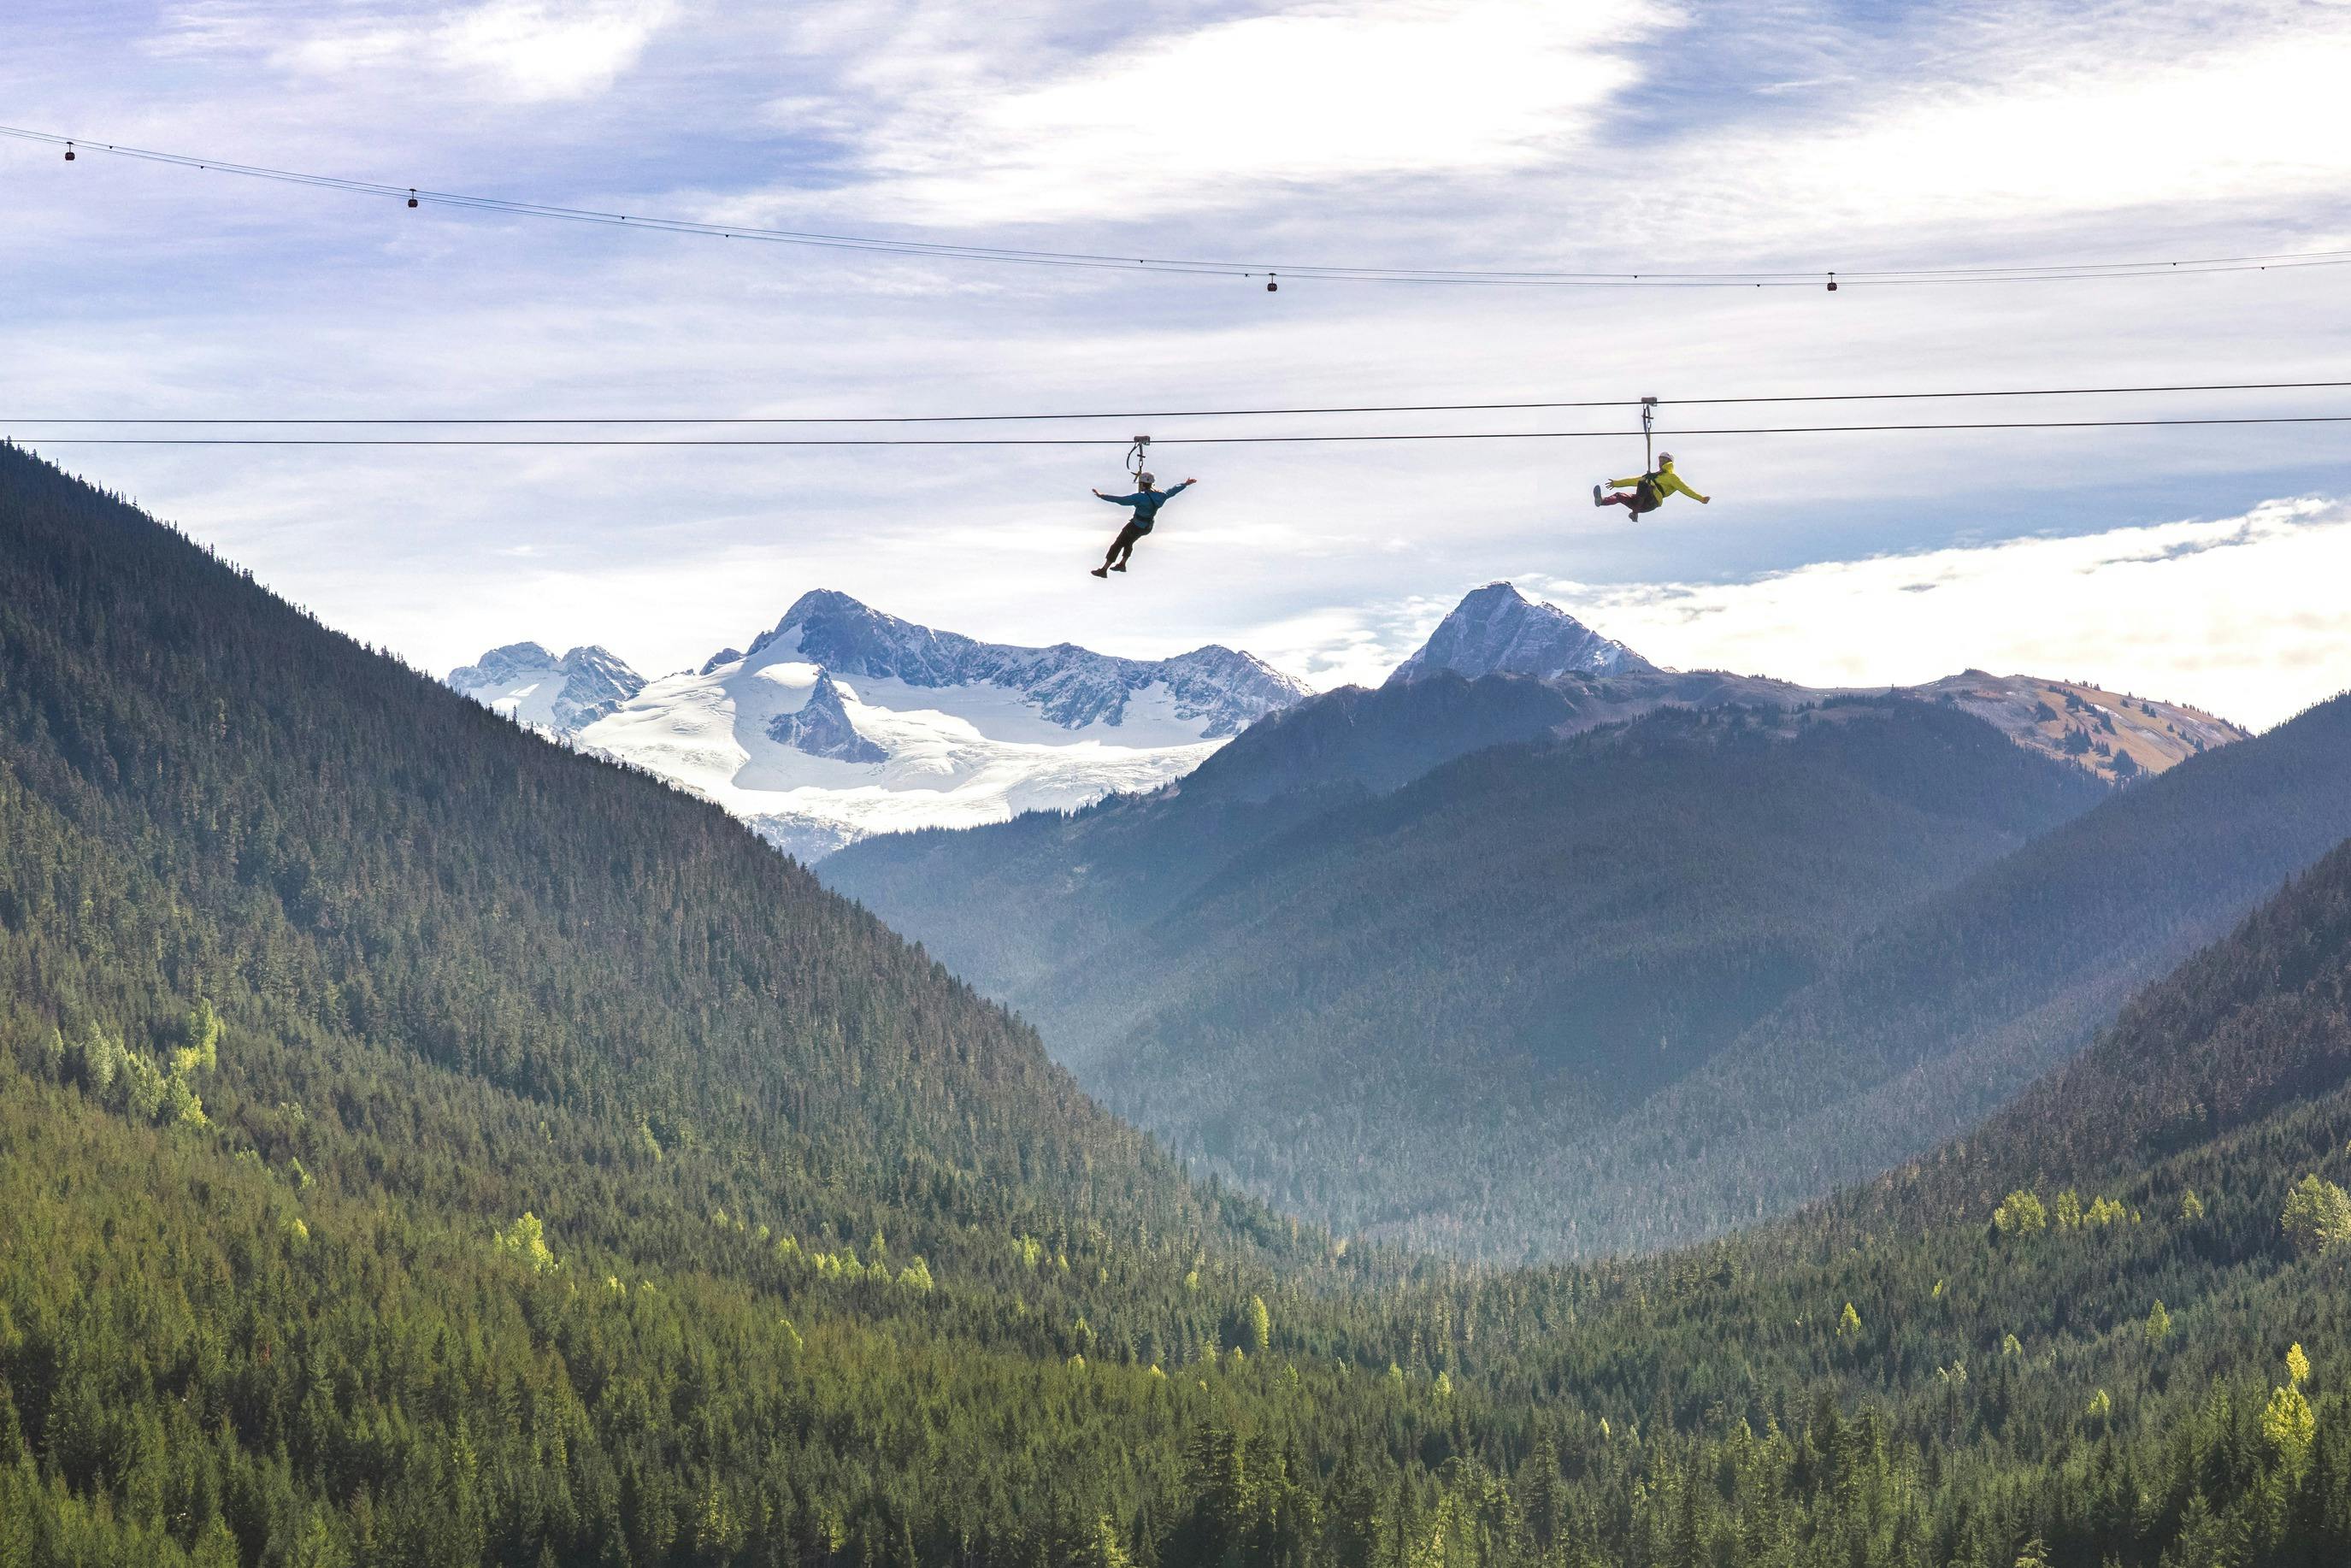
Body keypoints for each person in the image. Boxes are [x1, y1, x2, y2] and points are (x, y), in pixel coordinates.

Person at [1089, 473, 1197, 576]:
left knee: (1118, 544)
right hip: (1147, 527)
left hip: (1136, 526)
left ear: (1141, 484)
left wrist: (1102, 496)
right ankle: (1122, 564)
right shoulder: (1161, 495)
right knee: (1129, 542)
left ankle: (1104, 570)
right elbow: (1173, 490)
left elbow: (1121, 500)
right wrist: (1185, 484)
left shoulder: (1140, 497)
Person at [1594, 452, 1709, 518]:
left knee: (1644, 485)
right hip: (1642, 501)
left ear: (1668, 461)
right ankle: (1601, 501)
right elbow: (1633, 481)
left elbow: (1685, 489)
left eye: (1663, 460)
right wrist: (1616, 483)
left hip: (1651, 502)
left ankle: (1635, 512)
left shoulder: (1671, 477)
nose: (1660, 462)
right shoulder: (1652, 477)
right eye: (1660, 459)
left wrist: (1701, 498)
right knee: (1619, 495)